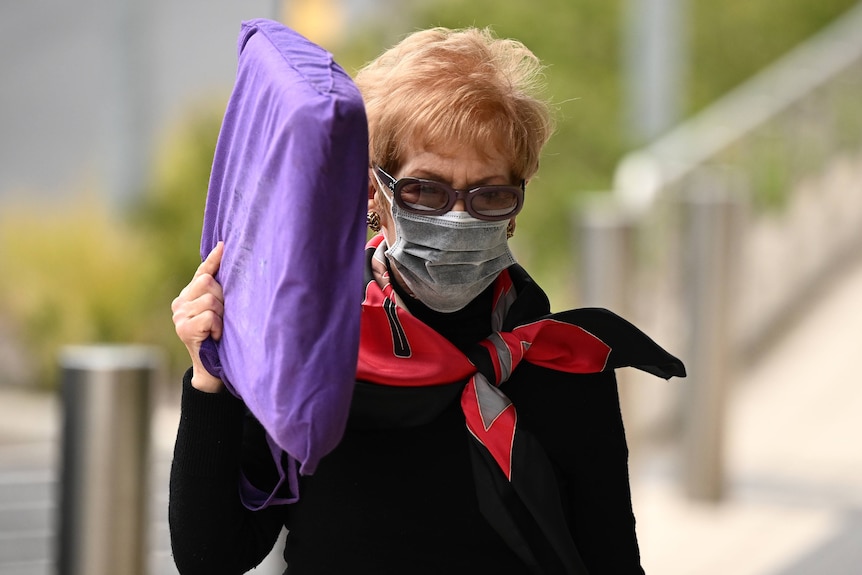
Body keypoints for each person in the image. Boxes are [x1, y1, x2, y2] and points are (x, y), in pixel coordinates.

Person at [169, 25, 684, 575]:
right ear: (374, 192)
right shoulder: (312, 346)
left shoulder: (561, 361)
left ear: (514, 209)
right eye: (425, 189)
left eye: (489, 194)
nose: (457, 216)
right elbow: (211, 557)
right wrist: (210, 379)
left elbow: (611, 561)